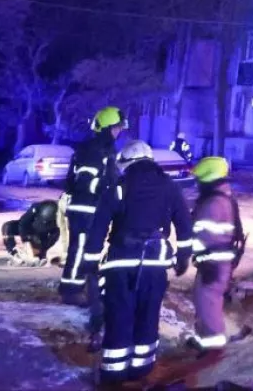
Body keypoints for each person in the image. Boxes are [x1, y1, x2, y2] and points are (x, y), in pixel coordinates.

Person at [84, 140, 193, 386]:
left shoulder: (118, 186)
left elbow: (98, 227)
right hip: (155, 263)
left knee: (120, 314)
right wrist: (183, 258)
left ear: (128, 162)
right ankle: (141, 368)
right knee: (148, 314)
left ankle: (113, 372)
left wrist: (90, 262)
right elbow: (184, 225)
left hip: (121, 264)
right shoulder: (169, 186)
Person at [59, 106, 126, 304]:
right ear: (106, 128)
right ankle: (71, 290)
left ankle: (83, 286)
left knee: (88, 249)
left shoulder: (103, 149)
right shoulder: (94, 150)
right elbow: (85, 182)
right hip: (84, 207)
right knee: (79, 248)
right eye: (116, 127)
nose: (119, 131)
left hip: (93, 207)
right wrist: (109, 187)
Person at [188, 156, 246, 352]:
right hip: (215, 260)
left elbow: (201, 234)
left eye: (199, 180)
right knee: (203, 300)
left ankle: (212, 346)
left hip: (213, 262)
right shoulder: (220, 199)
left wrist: (186, 249)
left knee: (208, 302)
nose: (197, 184)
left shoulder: (213, 203)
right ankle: (203, 337)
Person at [3, 198, 61, 264]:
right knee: (7, 226)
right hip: (29, 230)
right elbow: (22, 224)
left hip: (41, 237)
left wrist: (43, 249)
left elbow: (54, 237)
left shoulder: (58, 220)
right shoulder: (35, 209)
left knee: (52, 237)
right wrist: (26, 241)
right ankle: (13, 252)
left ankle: (41, 255)